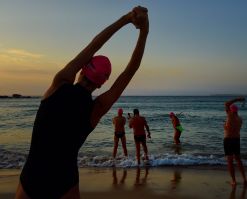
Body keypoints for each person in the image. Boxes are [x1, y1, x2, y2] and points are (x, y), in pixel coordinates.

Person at [15, 6, 149, 199]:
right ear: (101, 84)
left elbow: (94, 45)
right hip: (65, 180)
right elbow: (130, 71)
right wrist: (144, 31)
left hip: (31, 176)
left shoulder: (59, 83)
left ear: (82, 70)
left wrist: (127, 19)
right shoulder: (96, 108)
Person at [224, 97, 247, 187]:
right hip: (236, 140)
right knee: (238, 160)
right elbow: (233, 129)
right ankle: (245, 179)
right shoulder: (240, 119)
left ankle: (234, 181)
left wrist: (237, 99)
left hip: (229, 140)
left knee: (230, 161)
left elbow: (226, 103)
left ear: (230, 110)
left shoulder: (230, 116)